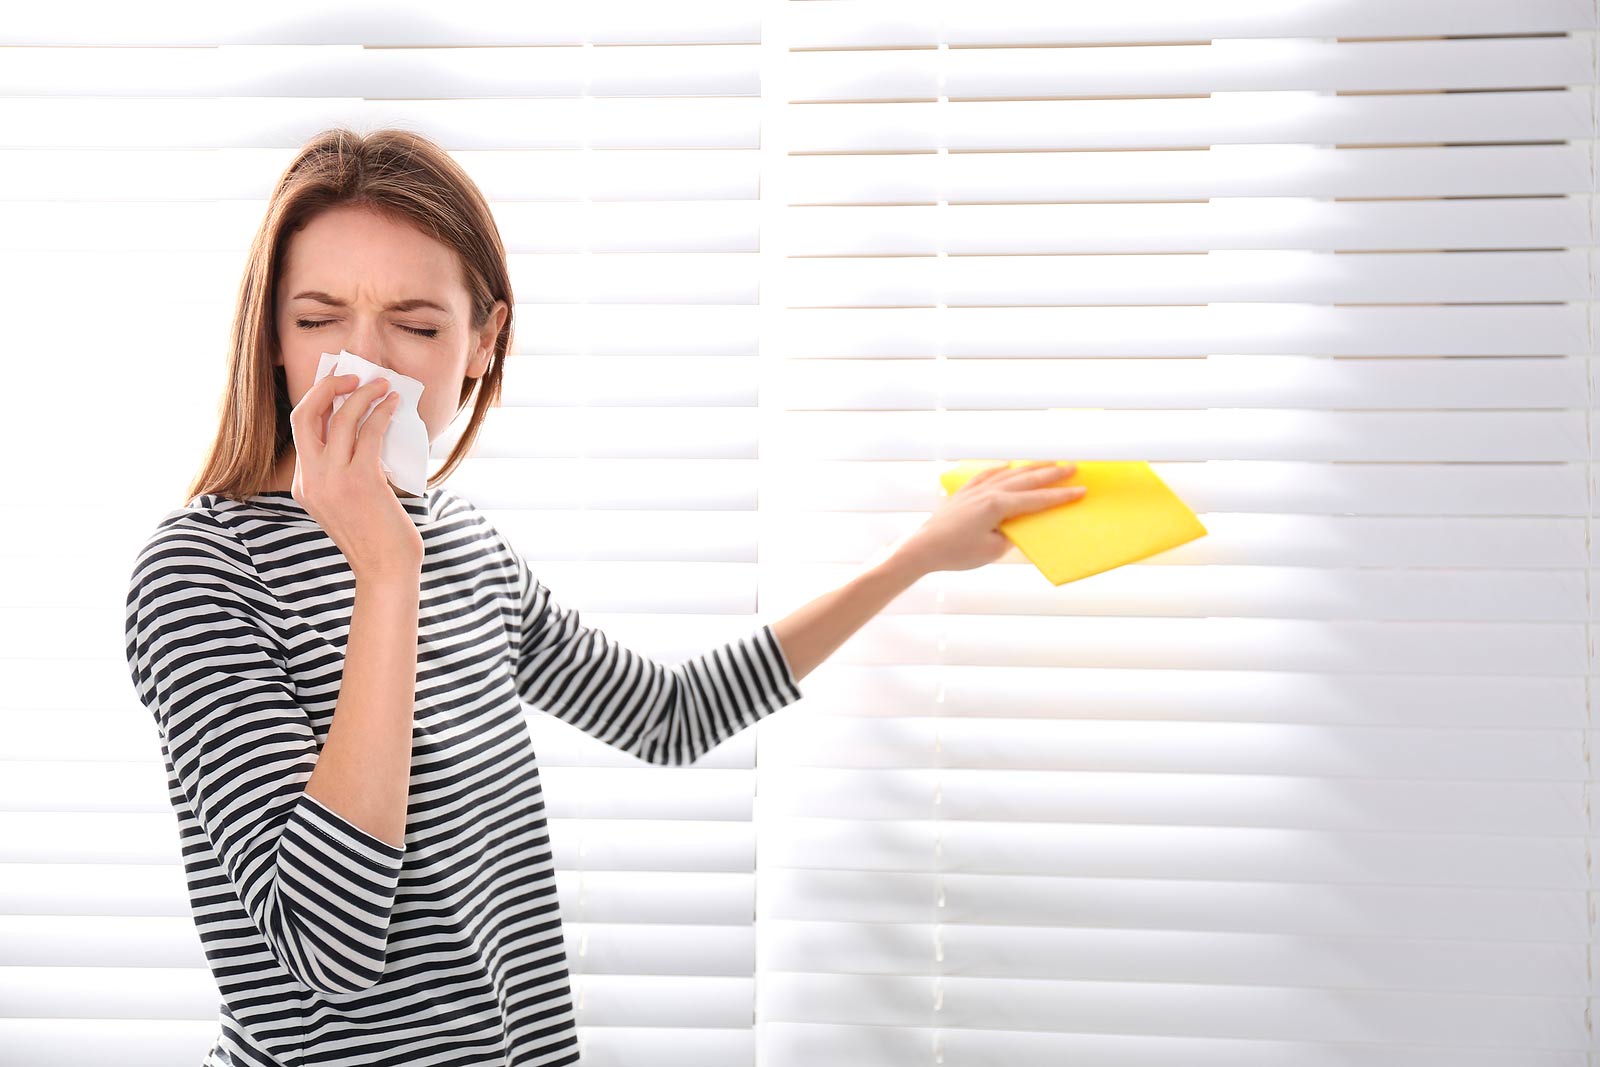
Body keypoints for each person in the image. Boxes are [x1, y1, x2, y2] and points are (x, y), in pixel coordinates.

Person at [123, 125, 1087, 1067]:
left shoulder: (462, 544)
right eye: (318, 318)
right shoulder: (203, 572)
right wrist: (384, 572)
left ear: (480, 341)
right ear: (271, 338)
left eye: (416, 326)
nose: (364, 364)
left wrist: (910, 559)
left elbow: (667, 714)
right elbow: (325, 950)